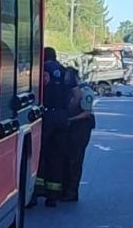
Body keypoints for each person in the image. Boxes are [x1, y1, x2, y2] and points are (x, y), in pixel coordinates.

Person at [35, 47, 72, 207]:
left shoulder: (41, 70)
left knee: (39, 153)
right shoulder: (66, 71)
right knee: (57, 156)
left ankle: (35, 193)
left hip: (46, 115)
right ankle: (53, 196)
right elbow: (74, 94)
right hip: (62, 116)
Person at [61, 66, 96, 202]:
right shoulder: (70, 91)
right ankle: (64, 189)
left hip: (81, 127)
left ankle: (72, 192)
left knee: (75, 160)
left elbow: (86, 113)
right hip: (71, 126)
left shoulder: (86, 91)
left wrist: (70, 119)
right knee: (66, 157)